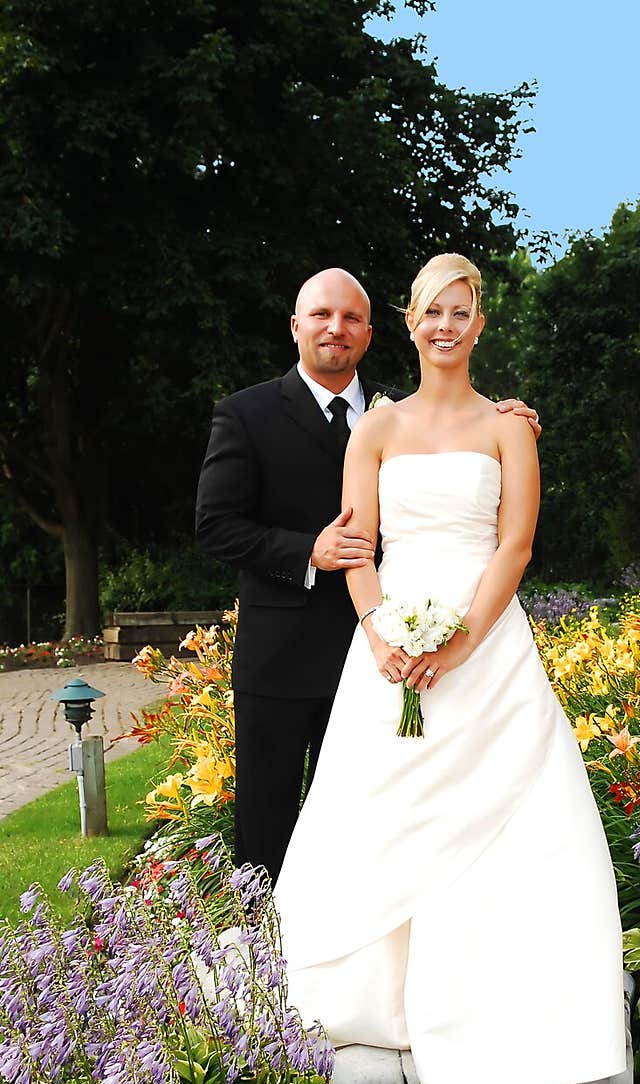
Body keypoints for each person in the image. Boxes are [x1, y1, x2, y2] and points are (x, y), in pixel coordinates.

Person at [272, 253, 627, 1084]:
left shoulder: (510, 426)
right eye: (432, 310)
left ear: (478, 323)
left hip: (486, 648)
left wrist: (463, 639)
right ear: (410, 320)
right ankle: (379, 998)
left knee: (512, 813)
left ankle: (506, 1002)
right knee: (381, 811)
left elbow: (515, 545)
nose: (445, 325)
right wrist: (379, 630)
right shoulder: (379, 428)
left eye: (460, 312)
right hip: (390, 645)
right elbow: (357, 543)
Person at [195, 267, 539, 884]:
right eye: (322, 316)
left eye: (351, 318)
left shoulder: (399, 409)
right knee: (269, 825)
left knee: (377, 828)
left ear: (373, 332)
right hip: (290, 655)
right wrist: (310, 551)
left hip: (395, 654)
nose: (337, 328)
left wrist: (512, 423)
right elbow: (216, 527)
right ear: (297, 326)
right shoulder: (246, 414)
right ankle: (260, 957)